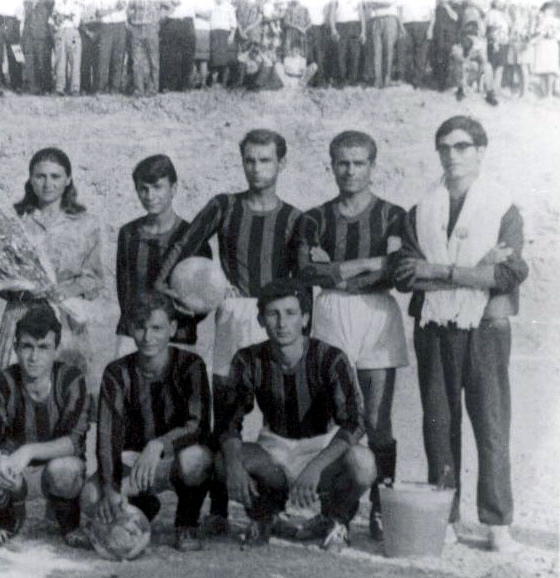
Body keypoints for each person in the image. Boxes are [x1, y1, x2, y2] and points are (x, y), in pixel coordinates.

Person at [388, 116, 528, 552]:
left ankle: (497, 522)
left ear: (481, 151)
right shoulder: (423, 206)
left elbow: (508, 273)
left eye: (463, 146)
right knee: (438, 424)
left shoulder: (502, 206)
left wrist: (440, 270)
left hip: (484, 327)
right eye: (445, 147)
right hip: (433, 326)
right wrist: (472, 271)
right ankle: (444, 515)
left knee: (490, 423)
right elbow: (404, 274)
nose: (453, 155)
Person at [155, 129, 303, 534]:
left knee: (278, 414)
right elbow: (184, 244)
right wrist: (172, 290)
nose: (257, 168)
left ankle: (269, 510)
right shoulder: (224, 206)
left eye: (266, 160)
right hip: (233, 317)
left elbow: (302, 278)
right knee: (226, 414)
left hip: (273, 321)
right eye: (250, 160)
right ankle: (218, 511)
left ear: (282, 163)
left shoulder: (293, 218)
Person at [296, 130, 408, 541]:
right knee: (335, 416)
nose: (351, 170)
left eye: (359, 162)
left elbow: (395, 270)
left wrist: (341, 269)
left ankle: (381, 511)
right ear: (331, 165)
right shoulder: (315, 217)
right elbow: (308, 270)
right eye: (343, 162)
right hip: (330, 312)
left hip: (378, 314)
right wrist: (367, 265)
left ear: (372, 166)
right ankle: (334, 514)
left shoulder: (394, 215)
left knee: (377, 420)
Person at [215, 280, 374, 551]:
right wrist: (233, 467)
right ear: (261, 320)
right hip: (275, 448)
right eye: (273, 314)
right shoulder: (248, 358)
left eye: (290, 313)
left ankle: (335, 519)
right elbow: (229, 419)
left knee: (363, 463)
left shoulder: (330, 357)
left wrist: (316, 467)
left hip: (320, 446)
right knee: (223, 460)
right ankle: (266, 515)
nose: (282, 323)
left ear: (305, 318)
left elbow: (355, 421)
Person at [82, 293, 213, 551]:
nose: (148, 336)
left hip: (170, 459)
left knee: (198, 459)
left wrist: (159, 445)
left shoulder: (190, 365)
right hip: (133, 462)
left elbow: (198, 425)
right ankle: (143, 505)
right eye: (141, 327)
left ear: (172, 329)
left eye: (157, 328)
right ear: (131, 328)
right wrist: (110, 487)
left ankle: (186, 523)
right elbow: (107, 436)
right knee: (90, 498)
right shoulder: (117, 372)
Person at [0, 305, 91, 547]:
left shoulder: (70, 380)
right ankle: (8, 520)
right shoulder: (2, 383)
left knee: (66, 470)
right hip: (14, 471)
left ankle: (69, 524)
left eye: (43, 347)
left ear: (56, 350)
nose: (34, 357)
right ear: (15, 348)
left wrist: (28, 451)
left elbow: (74, 442)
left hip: (53, 470)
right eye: (27, 347)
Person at [0, 147, 104, 379]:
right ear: (31, 179)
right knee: (14, 391)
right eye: (40, 176)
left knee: (66, 388)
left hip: (66, 321)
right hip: (21, 317)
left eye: (55, 176)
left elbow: (94, 279)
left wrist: (66, 290)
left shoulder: (85, 223)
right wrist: (22, 286)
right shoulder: (14, 220)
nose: (47, 183)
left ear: (68, 179)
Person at [115, 154, 211, 357]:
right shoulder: (128, 233)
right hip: (133, 336)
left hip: (179, 337)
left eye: (157, 187)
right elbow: (124, 291)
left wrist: (181, 318)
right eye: (143, 188)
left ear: (173, 189)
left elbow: (203, 299)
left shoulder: (193, 237)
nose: (150, 196)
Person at [127, 0, 164, 96]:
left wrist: (158, 18)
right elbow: (129, 8)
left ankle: (153, 89)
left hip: (151, 27)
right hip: (136, 27)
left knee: (153, 60)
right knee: (137, 61)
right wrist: (131, 20)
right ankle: (139, 89)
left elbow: (170, 7)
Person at [327, 0, 365, 87]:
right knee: (341, 55)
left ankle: (353, 80)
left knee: (355, 55)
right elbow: (332, 14)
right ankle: (342, 80)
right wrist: (333, 29)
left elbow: (362, 15)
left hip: (355, 26)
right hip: (341, 26)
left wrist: (363, 32)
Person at [21, 0, 54, 95]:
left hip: (42, 35)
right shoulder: (26, 3)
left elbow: (50, 17)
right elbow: (23, 18)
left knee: (42, 62)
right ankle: (32, 87)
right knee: (29, 62)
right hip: (28, 35)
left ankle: (45, 87)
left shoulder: (47, 3)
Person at [51, 0, 82, 96]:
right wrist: (64, 17)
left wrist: (63, 16)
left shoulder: (75, 3)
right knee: (60, 61)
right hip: (60, 32)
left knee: (75, 61)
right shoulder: (57, 3)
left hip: (73, 32)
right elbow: (55, 20)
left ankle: (75, 88)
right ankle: (60, 87)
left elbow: (76, 20)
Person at [96, 0, 128, 93]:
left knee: (118, 57)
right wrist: (114, 9)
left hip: (120, 25)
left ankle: (115, 87)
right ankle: (101, 87)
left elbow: (124, 6)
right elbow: (99, 13)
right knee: (103, 57)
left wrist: (109, 10)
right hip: (106, 27)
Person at [531, 1, 560, 98]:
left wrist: (552, 35)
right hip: (541, 45)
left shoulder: (557, 21)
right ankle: (544, 93)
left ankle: (549, 93)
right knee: (542, 69)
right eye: (547, 9)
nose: (549, 11)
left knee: (551, 69)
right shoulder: (540, 20)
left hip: (551, 45)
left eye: (551, 9)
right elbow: (536, 33)